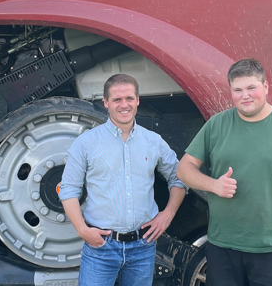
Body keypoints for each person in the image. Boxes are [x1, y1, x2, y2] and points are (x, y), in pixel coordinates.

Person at [177, 58, 272, 286]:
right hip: (223, 248)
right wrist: (213, 185)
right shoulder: (217, 125)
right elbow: (184, 169)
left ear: (265, 87)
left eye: (251, 88)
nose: (244, 95)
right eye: (237, 90)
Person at [60, 73, 187, 286]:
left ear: (137, 100)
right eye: (117, 99)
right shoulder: (86, 143)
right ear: (106, 103)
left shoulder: (153, 141)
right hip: (101, 246)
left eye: (129, 98)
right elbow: (68, 190)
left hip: (143, 246)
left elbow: (179, 178)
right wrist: (82, 230)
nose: (124, 105)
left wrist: (168, 214)